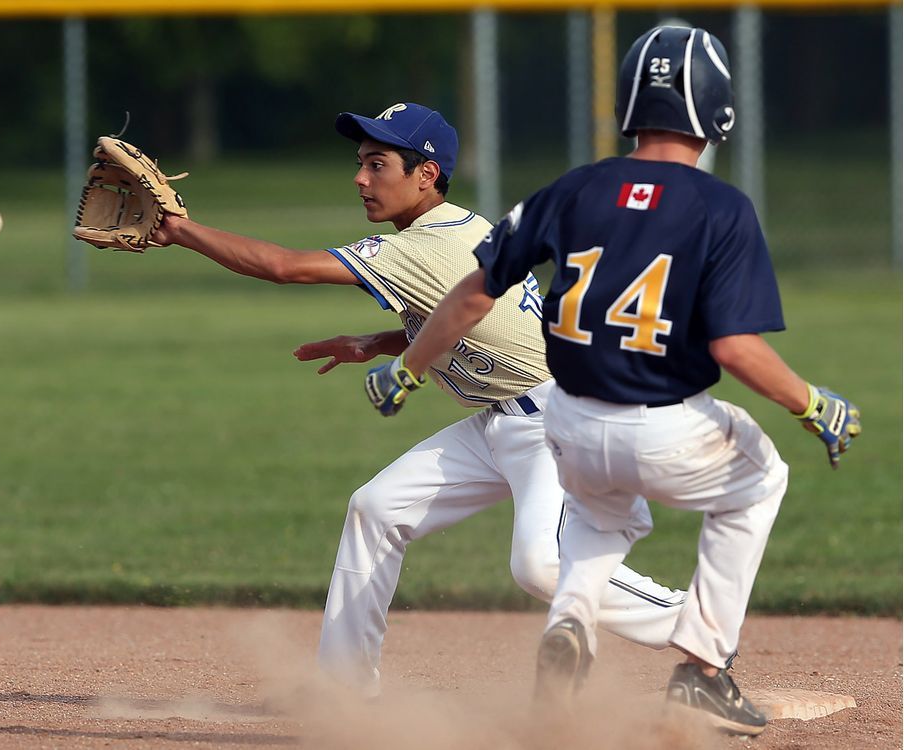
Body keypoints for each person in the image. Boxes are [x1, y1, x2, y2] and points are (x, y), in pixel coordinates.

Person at [365, 30, 861, 736]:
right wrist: (813, 404)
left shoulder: (573, 189)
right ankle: (703, 670)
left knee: (602, 517)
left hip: (568, 422)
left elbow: (476, 290)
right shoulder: (720, 207)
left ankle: (570, 621)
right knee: (760, 477)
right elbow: (734, 347)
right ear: (718, 110)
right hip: (663, 425)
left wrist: (407, 368)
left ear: (629, 104)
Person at [146, 102, 686, 698]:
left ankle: (696, 621)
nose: (360, 178)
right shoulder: (460, 227)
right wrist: (378, 342)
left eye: (377, 165)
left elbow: (283, 267)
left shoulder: (423, 247)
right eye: (360, 163)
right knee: (376, 509)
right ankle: (345, 689)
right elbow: (476, 323)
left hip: (561, 424)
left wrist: (178, 230)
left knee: (540, 564)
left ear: (426, 174)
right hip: (505, 420)